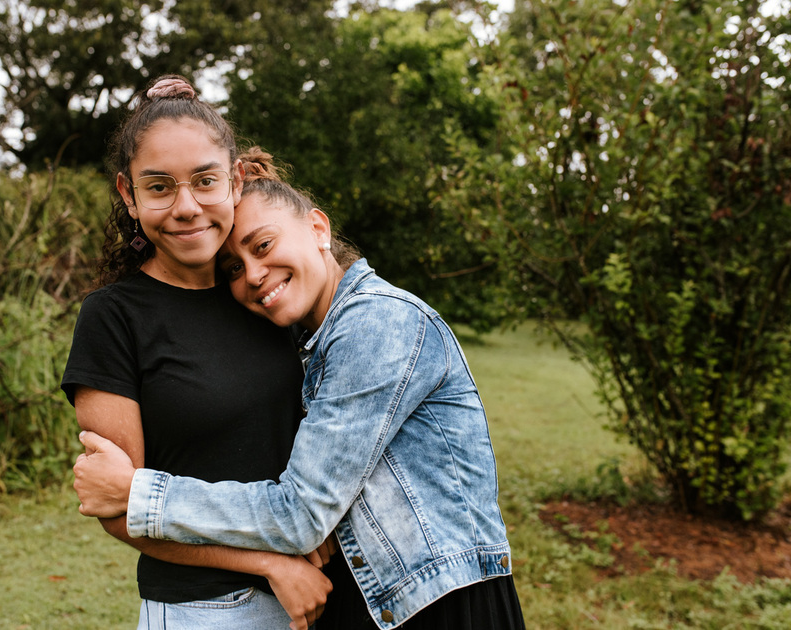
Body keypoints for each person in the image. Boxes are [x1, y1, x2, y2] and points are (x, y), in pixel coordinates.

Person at [73, 150, 527, 629]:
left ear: (317, 229)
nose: (252, 274)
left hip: (439, 608)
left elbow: (301, 514)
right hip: (371, 605)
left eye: (263, 245)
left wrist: (137, 494)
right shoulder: (307, 341)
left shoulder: (377, 324)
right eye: (232, 268)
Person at [61, 76, 332, 630]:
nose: (187, 207)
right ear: (128, 195)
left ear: (233, 181)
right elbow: (120, 506)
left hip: (330, 594)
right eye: (159, 187)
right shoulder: (113, 318)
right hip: (208, 611)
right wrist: (270, 564)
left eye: (204, 181)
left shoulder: (267, 292)